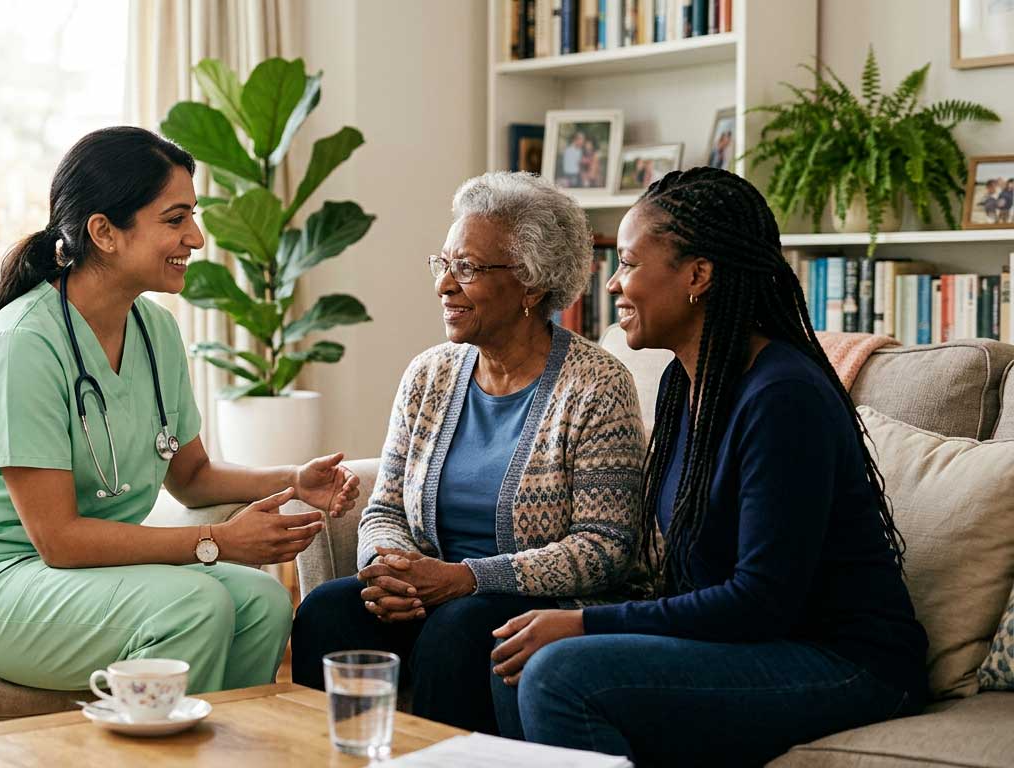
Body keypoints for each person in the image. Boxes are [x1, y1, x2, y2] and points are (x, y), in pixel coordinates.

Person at [489, 167, 928, 766]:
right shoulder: (684, 383)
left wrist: (585, 627)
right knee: (517, 660)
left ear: (698, 274)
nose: (614, 284)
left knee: (558, 673)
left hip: (848, 661)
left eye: (629, 263)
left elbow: (760, 600)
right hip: (762, 640)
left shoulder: (782, 396)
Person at [0, 127, 362, 695]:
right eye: (175, 220)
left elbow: (193, 478)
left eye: (192, 216)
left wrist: (294, 480)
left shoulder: (156, 332)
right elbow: (59, 539)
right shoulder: (22, 344)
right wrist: (218, 543)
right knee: (194, 605)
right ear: (104, 232)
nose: (196, 238)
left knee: (263, 601)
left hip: (84, 575)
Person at [292, 171, 647, 734]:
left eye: (469, 269)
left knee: (460, 627)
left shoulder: (597, 386)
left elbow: (606, 549)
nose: (444, 286)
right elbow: (384, 508)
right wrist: (391, 567)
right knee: (329, 609)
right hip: (431, 592)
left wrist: (466, 577)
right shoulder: (429, 374)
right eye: (444, 264)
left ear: (531, 284)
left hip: (533, 606)